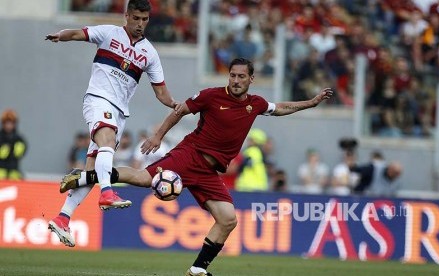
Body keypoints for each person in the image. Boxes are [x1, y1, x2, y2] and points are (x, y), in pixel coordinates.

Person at [59, 58, 333, 275]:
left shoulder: (256, 103)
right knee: (143, 179)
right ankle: (86, 176)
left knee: (228, 219)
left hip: (209, 172)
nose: (236, 81)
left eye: (241, 76)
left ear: (251, 78)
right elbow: (180, 111)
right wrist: (158, 136)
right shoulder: (211, 96)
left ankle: (198, 268)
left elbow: (281, 108)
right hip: (190, 155)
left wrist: (311, 102)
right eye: (232, 75)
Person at [45, 0, 179, 247]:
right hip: (98, 100)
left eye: (145, 19)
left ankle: (63, 218)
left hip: (119, 113)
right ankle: (107, 193)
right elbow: (78, 33)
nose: (140, 24)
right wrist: (60, 36)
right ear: (126, 15)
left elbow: (161, 92)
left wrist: (174, 105)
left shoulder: (149, 52)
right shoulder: (109, 32)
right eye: (136, 18)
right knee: (106, 142)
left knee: (92, 170)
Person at [0, 109, 27, 180]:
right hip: (1, 169)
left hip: (14, 170)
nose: (8, 126)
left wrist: (21, 150)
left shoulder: (19, 139)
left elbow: (24, 149)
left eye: (11, 123)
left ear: (14, 124)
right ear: (3, 124)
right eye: (6, 123)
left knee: (17, 178)